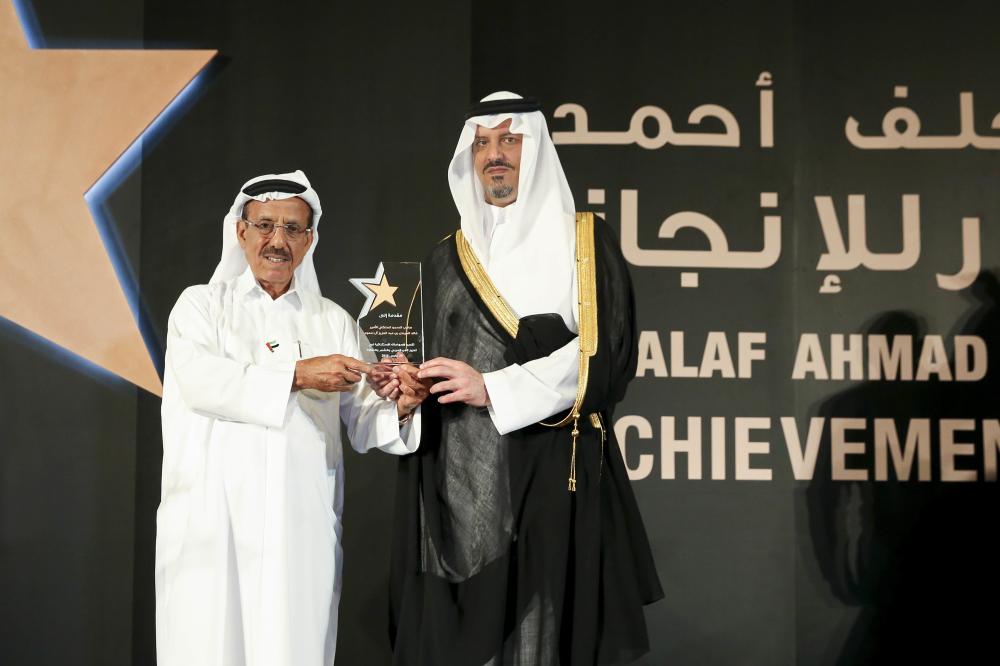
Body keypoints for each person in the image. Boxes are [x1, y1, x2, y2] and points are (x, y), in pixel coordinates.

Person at [384, 92, 663, 665]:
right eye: (482, 143)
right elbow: (436, 364)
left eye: (509, 140)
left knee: (546, 633)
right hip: (462, 485)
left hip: (552, 469)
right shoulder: (444, 259)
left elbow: (604, 352)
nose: (494, 156)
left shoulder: (584, 241)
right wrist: (410, 391)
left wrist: (496, 387)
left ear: (533, 149)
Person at [155, 170, 426, 666]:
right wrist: (299, 374)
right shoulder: (199, 307)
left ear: (310, 240)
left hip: (298, 534)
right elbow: (202, 382)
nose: (277, 241)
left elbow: (369, 420)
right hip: (212, 535)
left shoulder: (332, 321)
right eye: (265, 225)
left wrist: (402, 403)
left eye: (293, 229)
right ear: (241, 232)